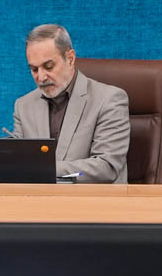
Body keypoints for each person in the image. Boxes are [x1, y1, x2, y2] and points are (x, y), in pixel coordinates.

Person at [11, 24, 130, 183]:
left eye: (48, 66)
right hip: (38, 198)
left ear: (70, 58)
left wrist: (43, 169)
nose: (41, 77)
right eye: (34, 69)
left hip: (92, 197)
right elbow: (16, 160)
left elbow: (106, 168)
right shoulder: (23, 106)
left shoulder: (109, 99)